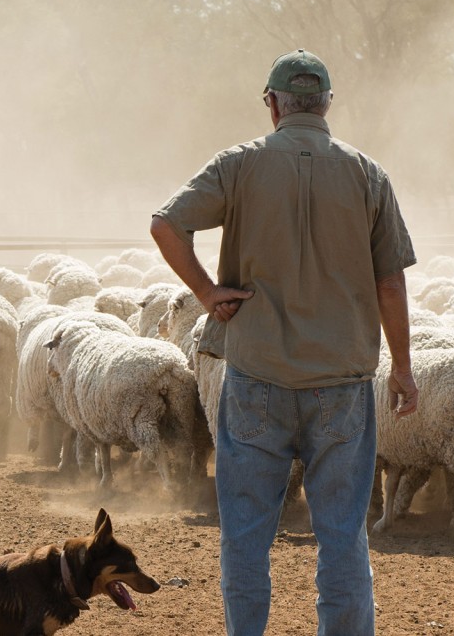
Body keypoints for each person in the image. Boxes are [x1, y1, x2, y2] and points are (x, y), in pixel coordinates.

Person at [149, 49, 420, 636]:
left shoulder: (239, 164)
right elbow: (391, 280)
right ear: (325, 103)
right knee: (341, 535)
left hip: (256, 378)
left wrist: (205, 292)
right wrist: (401, 367)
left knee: (246, 534)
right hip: (341, 385)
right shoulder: (367, 173)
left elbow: (165, 224)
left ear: (272, 104)